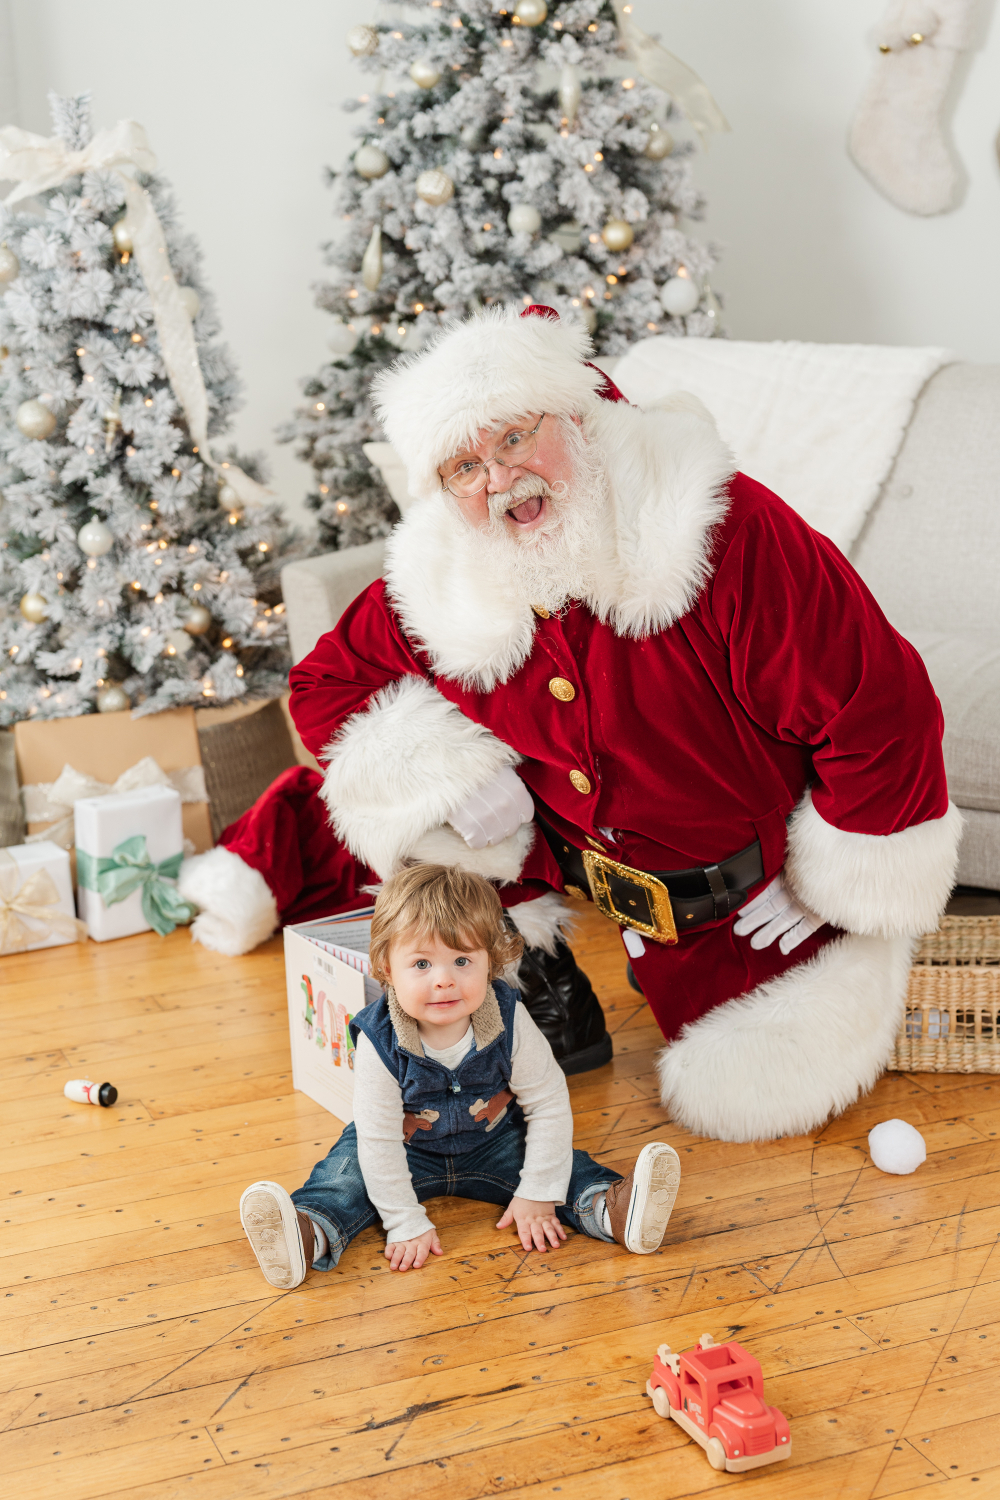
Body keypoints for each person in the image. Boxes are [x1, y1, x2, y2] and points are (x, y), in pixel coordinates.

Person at [279, 304, 961, 1144]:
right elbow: (323, 689)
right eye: (463, 466)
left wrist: (839, 878)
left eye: (515, 439)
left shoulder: (722, 530)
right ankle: (536, 966)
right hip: (577, 872)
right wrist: (457, 774)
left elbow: (881, 706)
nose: (497, 481)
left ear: (579, 417)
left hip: (746, 901)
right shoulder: (440, 576)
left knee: (746, 1096)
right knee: (397, 770)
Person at [239, 864, 681, 1288]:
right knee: (344, 1176)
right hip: (404, 1147)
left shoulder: (511, 1020)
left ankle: (612, 1211)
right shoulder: (379, 1039)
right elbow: (377, 1138)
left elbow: (547, 1102)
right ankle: (304, 1235)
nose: (445, 980)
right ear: (387, 969)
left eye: (463, 961)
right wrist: (403, 1220)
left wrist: (537, 1192)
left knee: (564, 1166)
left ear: (492, 960)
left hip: (494, 1141)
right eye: (422, 965)